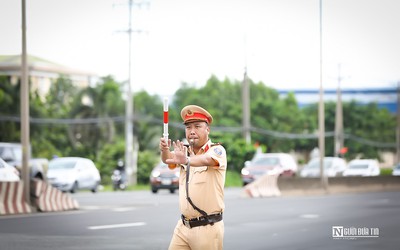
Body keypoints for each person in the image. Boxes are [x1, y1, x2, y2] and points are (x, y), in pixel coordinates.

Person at [159, 105, 227, 250]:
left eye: (197, 126)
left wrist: (186, 161)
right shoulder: (185, 152)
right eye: (189, 127)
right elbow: (168, 160)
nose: (192, 131)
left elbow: (207, 160)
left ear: (207, 129)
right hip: (183, 227)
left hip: (207, 227)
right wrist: (165, 150)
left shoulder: (217, 150)